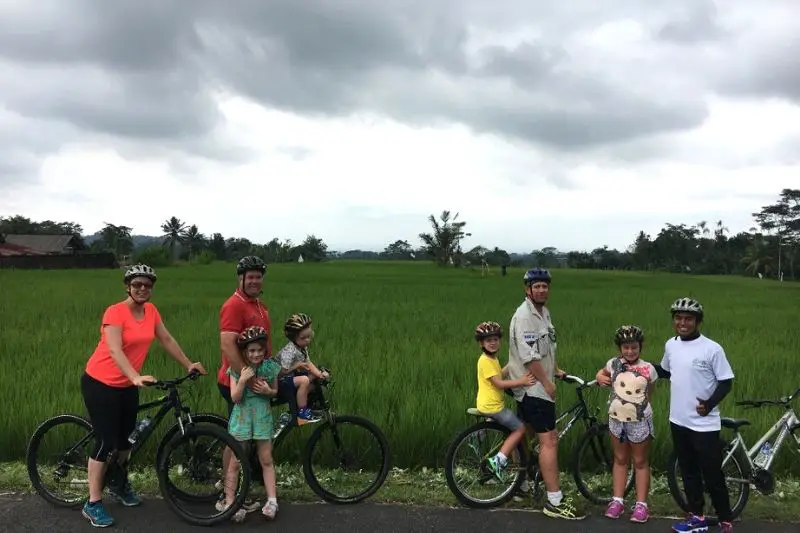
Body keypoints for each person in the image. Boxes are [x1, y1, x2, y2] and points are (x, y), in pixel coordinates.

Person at [80, 264, 206, 528]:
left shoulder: (151, 311)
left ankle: (117, 482)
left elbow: (167, 339)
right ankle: (92, 503)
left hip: (126, 386)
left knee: (125, 441)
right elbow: (114, 350)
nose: (142, 289)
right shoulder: (115, 312)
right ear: (128, 286)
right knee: (105, 442)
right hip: (100, 383)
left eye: (147, 285)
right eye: (137, 284)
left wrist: (188, 364)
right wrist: (135, 376)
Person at [505, 267, 585, 520]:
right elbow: (529, 358)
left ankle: (521, 485)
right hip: (534, 389)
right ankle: (554, 501)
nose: (541, 290)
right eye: (536, 286)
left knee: (524, 434)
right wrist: (547, 384)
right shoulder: (525, 316)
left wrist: (556, 370)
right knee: (549, 441)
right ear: (527, 289)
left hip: (534, 384)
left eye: (544, 286)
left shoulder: (543, 313)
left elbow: (545, 348)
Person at [657, 297, 735, 533]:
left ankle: (726, 519)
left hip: (704, 424)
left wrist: (710, 404)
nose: (683, 322)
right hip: (678, 420)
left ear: (697, 322)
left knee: (712, 475)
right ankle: (697, 517)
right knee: (689, 472)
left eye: (688, 319)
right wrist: (634, 365)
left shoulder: (712, 348)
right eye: (678, 318)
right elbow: (664, 371)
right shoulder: (671, 344)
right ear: (674, 321)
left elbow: (726, 381)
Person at [216, 255, 272, 514]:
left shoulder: (259, 306)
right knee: (236, 441)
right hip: (237, 380)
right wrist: (247, 378)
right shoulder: (233, 305)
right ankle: (224, 495)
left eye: (257, 277)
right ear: (240, 279)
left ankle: (238, 486)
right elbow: (228, 344)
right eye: (249, 277)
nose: (254, 281)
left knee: (242, 439)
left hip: (255, 377)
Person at [595, 325, 658, 523]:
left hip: (639, 422)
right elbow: (602, 373)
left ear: (640, 347)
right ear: (620, 348)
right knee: (620, 459)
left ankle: (641, 505)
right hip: (616, 421)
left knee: (639, 462)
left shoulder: (649, 369)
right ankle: (617, 500)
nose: (630, 351)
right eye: (626, 347)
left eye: (634, 347)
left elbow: (650, 392)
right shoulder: (613, 363)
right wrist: (599, 377)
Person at [221, 326, 282, 521]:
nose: (256, 354)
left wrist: (267, 392)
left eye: (259, 350)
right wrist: (242, 380)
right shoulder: (237, 370)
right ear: (244, 352)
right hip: (242, 419)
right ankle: (231, 501)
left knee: (266, 459)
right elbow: (235, 398)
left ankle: (272, 500)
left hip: (262, 418)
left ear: (265, 350)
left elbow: (275, 392)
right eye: (251, 351)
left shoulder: (270, 368)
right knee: (235, 463)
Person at [473, 321, 536, 479]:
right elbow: (499, 383)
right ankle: (499, 461)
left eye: (495, 339)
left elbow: (498, 375)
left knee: (510, 429)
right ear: (481, 343)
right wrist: (522, 381)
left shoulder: (490, 359)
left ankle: (481, 434)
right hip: (493, 407)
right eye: (488, 340)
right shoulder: (486, 361)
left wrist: (512, 364)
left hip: (488, 404)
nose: (493, 343)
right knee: (520, 429)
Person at [275, 313, 328, 425]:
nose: (307, 341)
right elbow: (280, 372)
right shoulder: (289, 352)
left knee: (314, 376)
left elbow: (308, 363)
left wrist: (320, 374)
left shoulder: (302, 347)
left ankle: (306, 401)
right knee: (304, 380)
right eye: (303, 338)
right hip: (280, 380)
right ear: (293, 338)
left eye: (309, 336)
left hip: (291, 376)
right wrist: (296, 366)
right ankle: (302, 411)